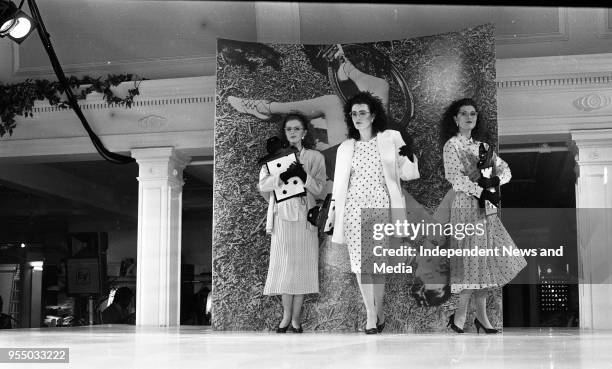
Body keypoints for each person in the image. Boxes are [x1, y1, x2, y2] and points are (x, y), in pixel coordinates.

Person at [327, 91, 419, 334]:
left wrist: (409, 157)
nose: (357, 117)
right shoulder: (346, 148)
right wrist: (334, 214)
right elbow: (339, 186)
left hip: (381, 208)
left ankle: (378, 312)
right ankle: (370, 314)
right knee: (361, 264)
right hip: (353, 209)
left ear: (373, 115)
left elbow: (408, 173)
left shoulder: (390, 138)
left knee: (377, 264)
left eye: (362, 113)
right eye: (354, 113)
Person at [440, 98, 527, 334]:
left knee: (485, 260)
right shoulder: (452, 145)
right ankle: (460, 313)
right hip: (465, 206)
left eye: (473, 114)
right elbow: (455, 179)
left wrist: (496, 182)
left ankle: (481, 316)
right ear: (455, 119)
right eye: (464, 113)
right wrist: (482, 192)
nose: (469, 117)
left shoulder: (485, 147)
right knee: (469, 258)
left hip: (486, 207)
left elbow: (506, 170)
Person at [258, 113, 326, 333]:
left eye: (297, 129)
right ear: (285, 133)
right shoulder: (274, 158)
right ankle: (286, 316)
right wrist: (281, 178)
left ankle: (296, 318)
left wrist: (303, 176)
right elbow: (263, 187)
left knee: (303, 266)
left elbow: (320, 189)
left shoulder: (315, 157)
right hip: (283, 217)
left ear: (304, 132)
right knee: (285, 266)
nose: (293, 132)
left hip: (306, 216)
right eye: (289, 129)